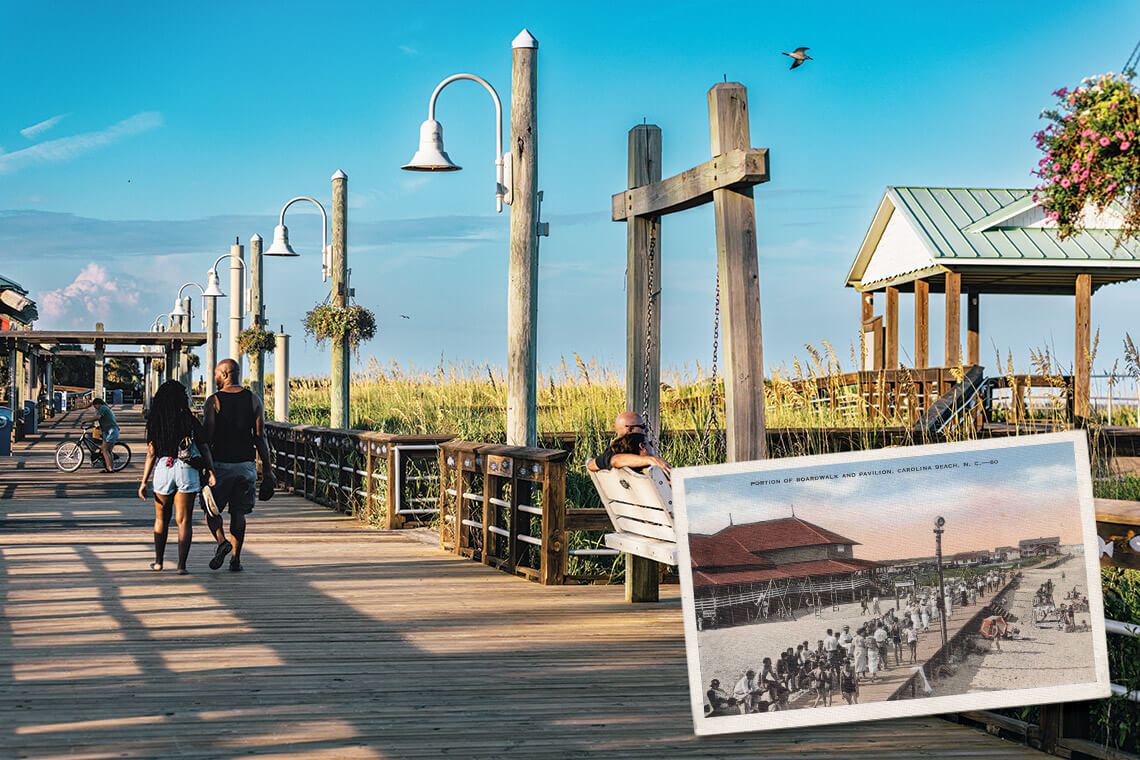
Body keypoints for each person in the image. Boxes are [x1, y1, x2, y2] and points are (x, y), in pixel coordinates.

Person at [203, 359, 275, 572]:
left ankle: (221, 541)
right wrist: (268, 471)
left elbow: (207, 436)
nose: (215, 378)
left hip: (220, 465)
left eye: (216, 374)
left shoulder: (214, 401)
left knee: (210, 509)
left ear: (225, 374)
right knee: (239, 512)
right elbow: (261, 437)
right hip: (246, 465)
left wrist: (205, 467)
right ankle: (236, 559)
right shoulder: (254, 399)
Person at [137, 381, 215, 574]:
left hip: (164, 466)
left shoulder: (156, 420)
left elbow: (151, 452)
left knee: (161, 519)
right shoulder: (188, 418)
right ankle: (181, 566)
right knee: (184, 520)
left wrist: (143, 481)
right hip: (186, 468)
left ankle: (158, 562)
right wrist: (211, 470)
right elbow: (204, 446)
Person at [586, 411, 671, 479]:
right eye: (643, 426)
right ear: (630, 429)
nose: (647, 430)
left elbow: (590, 465)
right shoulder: (634, 455)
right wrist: (651, 460)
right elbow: (616, 460)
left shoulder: (611, 452)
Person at [88, 397, 120, 472]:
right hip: (112, 430)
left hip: (110, 431)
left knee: (104, 450)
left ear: (98, 404)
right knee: (109, 451)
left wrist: (86, 421)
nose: (95, 408)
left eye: (95, 406)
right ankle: (111, 467)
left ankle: (109, 468)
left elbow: (98, 417)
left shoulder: (102, 408)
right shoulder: (106, 408)